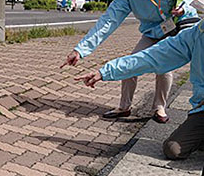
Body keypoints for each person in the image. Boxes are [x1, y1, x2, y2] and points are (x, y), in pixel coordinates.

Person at [61, 0, 203, 123]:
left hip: (180, 27)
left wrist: (185, 4)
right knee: (132, 61)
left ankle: (159, 107)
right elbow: (109, 19)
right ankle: (124, 106)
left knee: (164, 66)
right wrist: (81, 50)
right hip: (152, 31)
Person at [74, 8, 204, 160]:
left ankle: (160, 108)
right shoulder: (197, 34)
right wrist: (104, 72)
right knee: (173, 149)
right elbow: (151, 56)